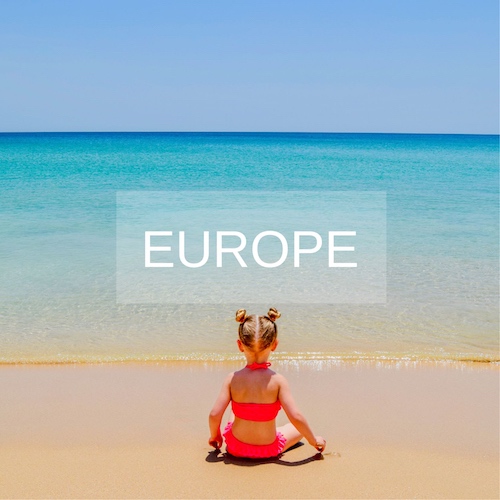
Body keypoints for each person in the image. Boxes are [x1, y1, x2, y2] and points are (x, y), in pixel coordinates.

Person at [208, 307, 326, 459]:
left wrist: (215, 436)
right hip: (267, 451)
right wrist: (314, 440)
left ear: (240, 345)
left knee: (234, 407)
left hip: (235, 447)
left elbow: (214, 414)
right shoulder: (278, 381)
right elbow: (295, 416)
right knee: (297, 430)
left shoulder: (232, 378)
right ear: (274, 344)